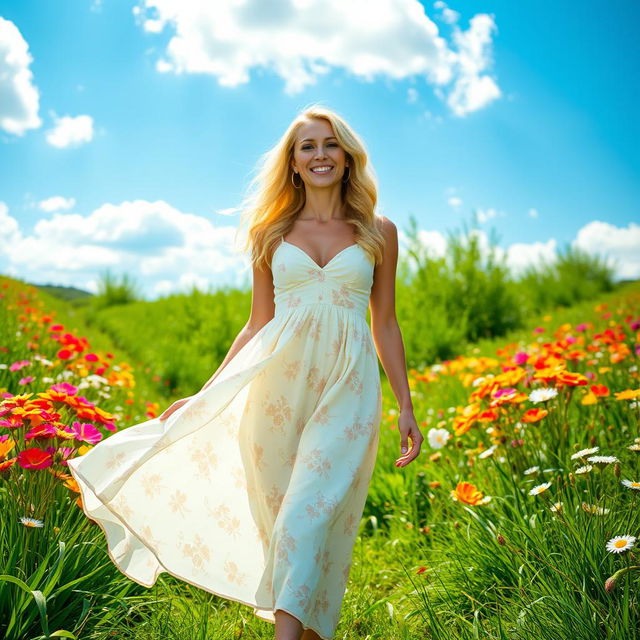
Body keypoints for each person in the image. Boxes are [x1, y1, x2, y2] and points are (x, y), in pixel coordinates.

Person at [67, 104, 423, 640]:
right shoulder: (270, 232)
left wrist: (406, 406)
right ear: (294, 162)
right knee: (285, 529)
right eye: (308, 146)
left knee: (308, 519)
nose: (320, 154)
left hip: (348, 387)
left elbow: (386, 323)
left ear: (348, 157)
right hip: (275, 389)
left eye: (330, 144)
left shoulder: (379, 231)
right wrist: (204, 396)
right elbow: (258, 324)